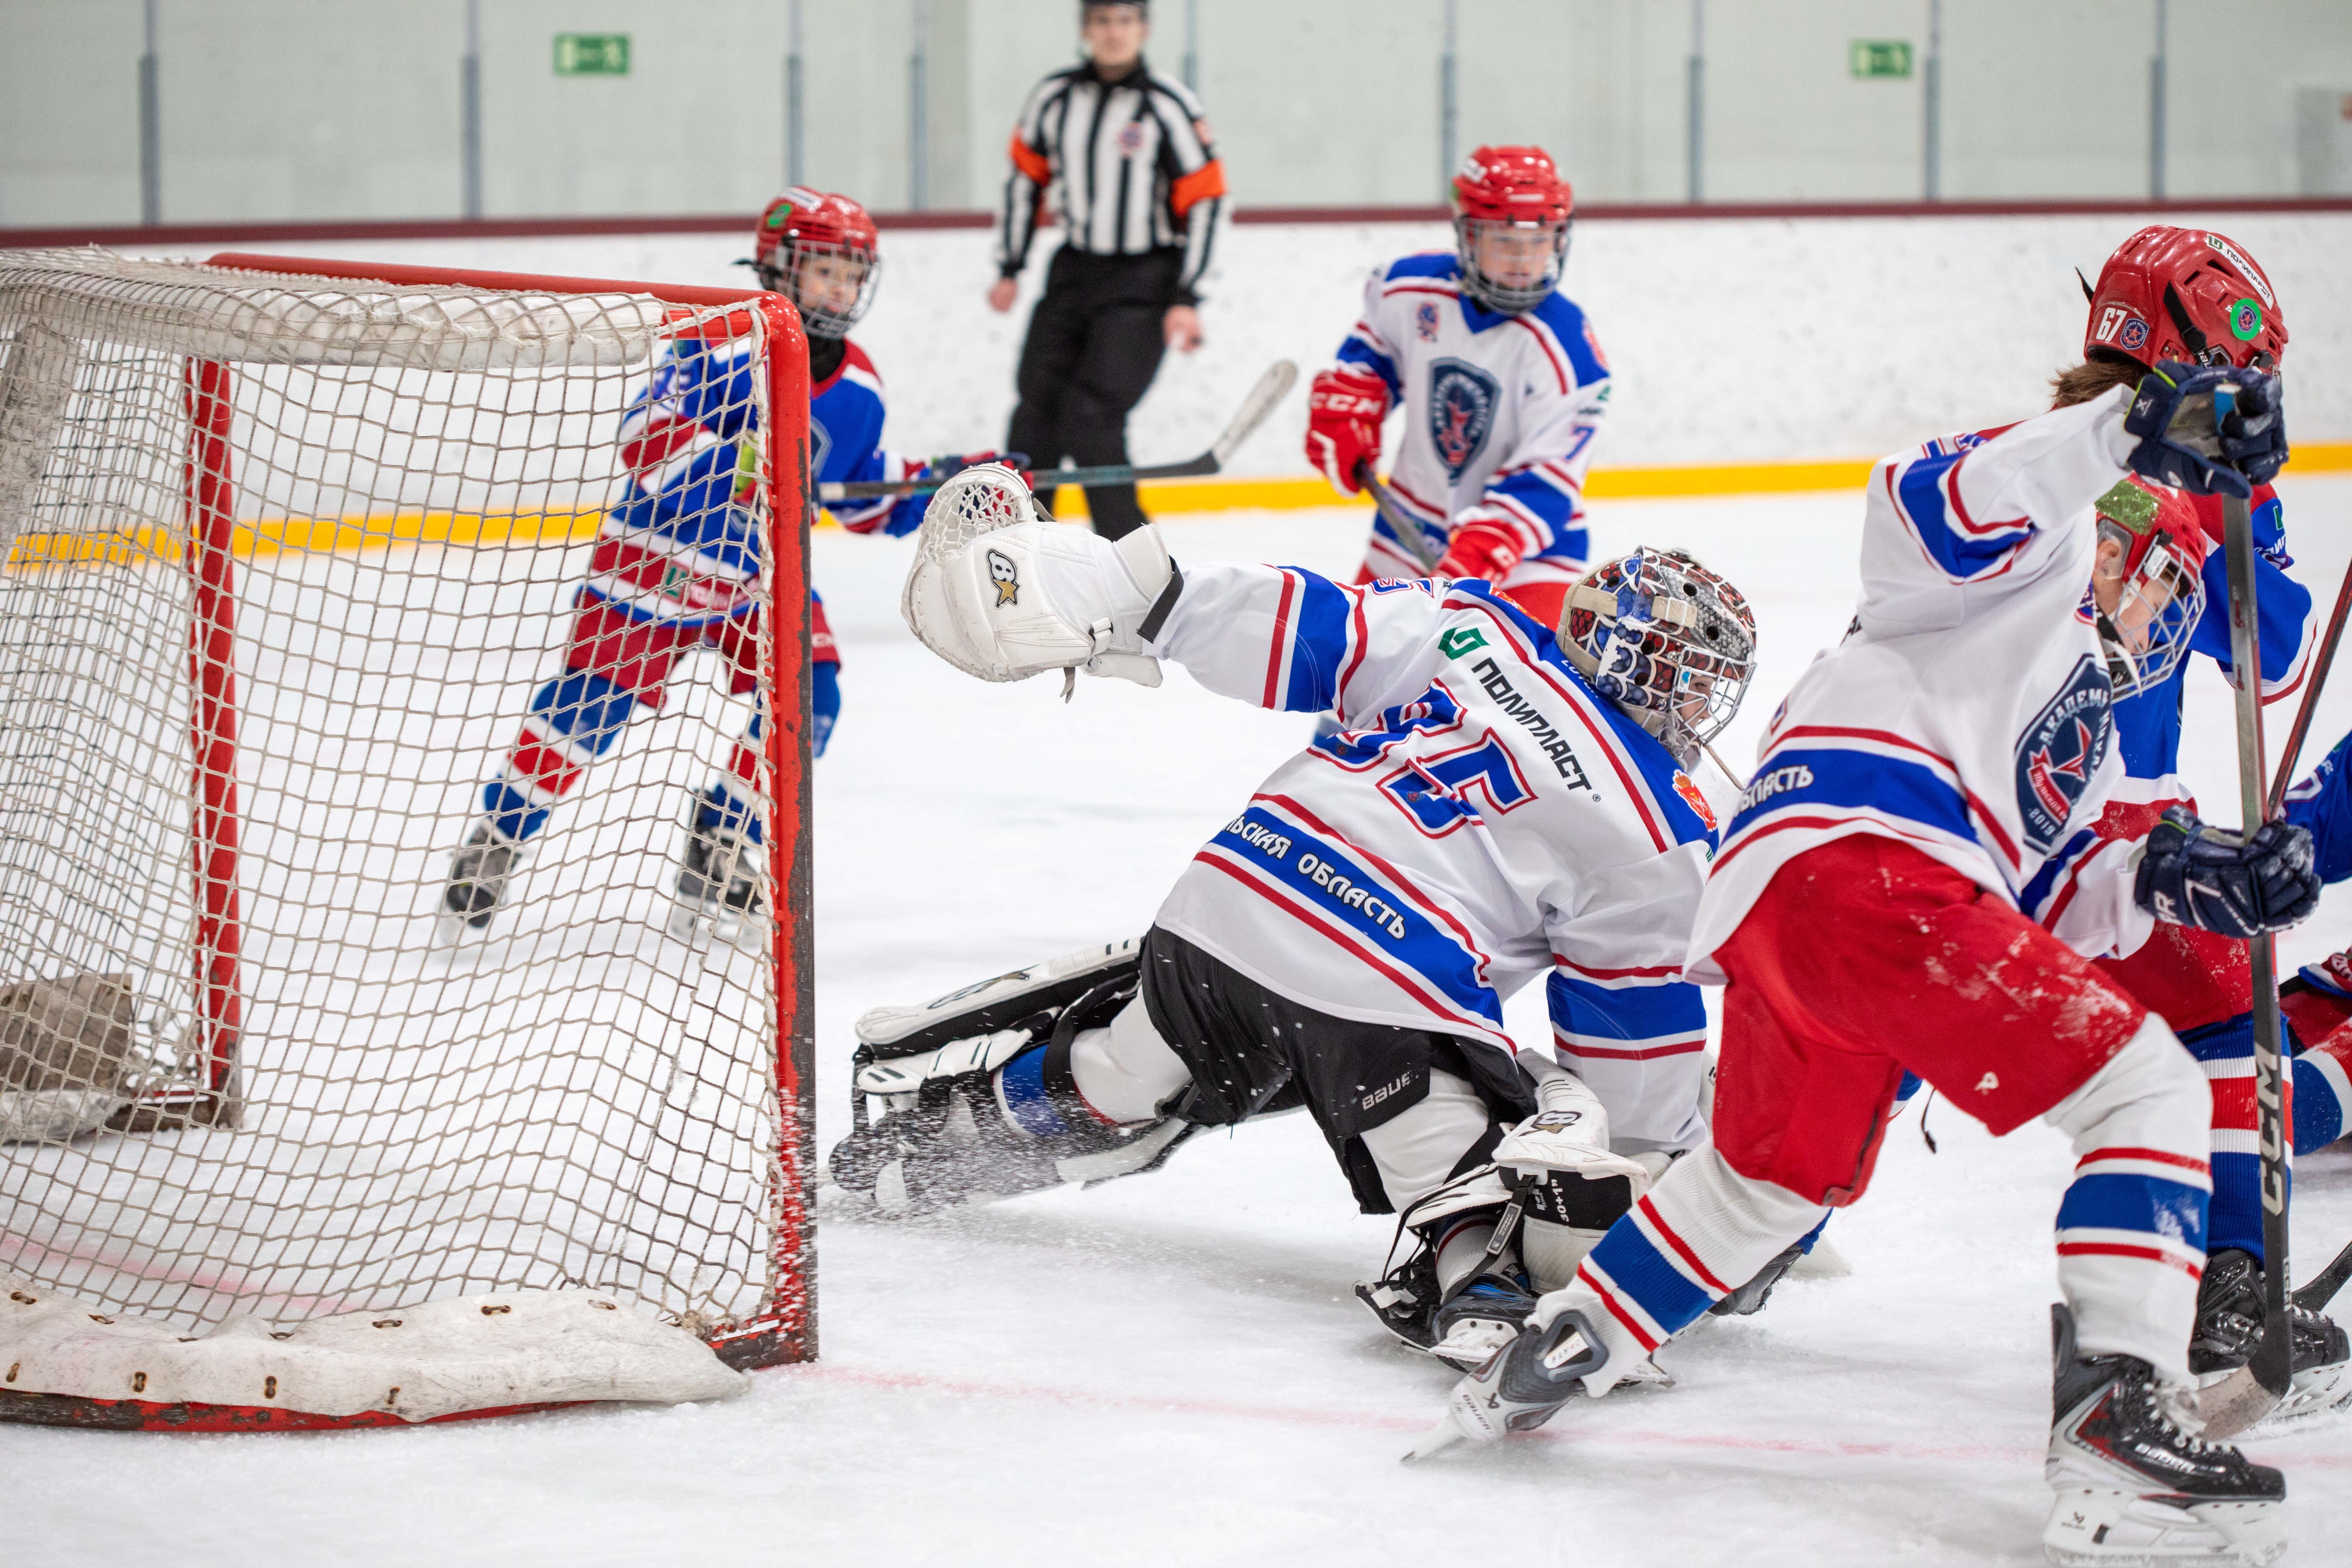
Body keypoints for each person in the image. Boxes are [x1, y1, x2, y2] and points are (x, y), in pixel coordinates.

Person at [1415, 361, 2309, 1567]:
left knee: (1770, 1188)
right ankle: (2116, 1412)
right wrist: (2124, 425)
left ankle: (1562, 1348)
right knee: (2148, 1089)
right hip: (1868, 871)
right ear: (2120, 547)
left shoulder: (2079, 711)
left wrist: (2195, 876)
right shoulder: (2004, 571)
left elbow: (2057, 900)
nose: (2160, 611)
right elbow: (1920, 498)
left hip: (1800, 914)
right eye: (2162, 580)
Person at [829, 461, 1760, 1367]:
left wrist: (1136, 596)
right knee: (1460, 1168)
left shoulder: (1479, 630)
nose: (1690, 700)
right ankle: (1478, 1284)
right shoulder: (1660, 833)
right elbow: (1632, 1032)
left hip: (1224, 903)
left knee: (1124, 1073)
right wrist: (1662, 1181)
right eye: (1687, 676)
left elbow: (1306, 625)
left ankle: (937, 1142)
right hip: (1383, 985)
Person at [440, 189, 975, 938]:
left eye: (852, 275)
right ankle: (498, 837)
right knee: (588, 712)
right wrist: (746, 466)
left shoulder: (858, 386)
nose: (841, 290)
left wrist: (947, 488)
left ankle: (719, 843)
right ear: (778, 267)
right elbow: (647, 442)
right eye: (824, 270)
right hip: (652, 565)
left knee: (811, 695)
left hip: (755, 578)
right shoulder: (718, 337)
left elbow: (862, 492)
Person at [2057, 225, 2347, 1424]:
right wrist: (2186, 508)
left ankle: (2227, 1278)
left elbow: (2267, 656)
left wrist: (2231, 500)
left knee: (2233, 1014)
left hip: (2136, 824)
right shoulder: (2070, 473)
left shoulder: (2214, 470)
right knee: (1822, 1121)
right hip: (2031, 828)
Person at [1303, 145, 1607, 629]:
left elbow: (1547, 480)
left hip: (1531, 555)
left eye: (1539, 242)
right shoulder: (1407, 288)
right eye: (1504, 241)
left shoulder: (1570, 349)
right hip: (1408, 527)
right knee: (1352, 682)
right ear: (1467, 234)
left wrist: (1480, 552)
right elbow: (1373, 355)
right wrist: (1353, 409)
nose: (1523, 261)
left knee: (1527, 697)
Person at [990, 0, 1224, 540]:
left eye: (1125, 21)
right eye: (1102, 21)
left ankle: (1133, 562)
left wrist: (1189, 297)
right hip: (1074, 270)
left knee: (1092, 416)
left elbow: (1207, 200)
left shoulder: (1168, 105)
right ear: (1085, 30)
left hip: (1146, 280)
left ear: (1144, 29)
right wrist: (1010, 265)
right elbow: (1025, 181)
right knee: (1034, 412)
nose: (1114, 33)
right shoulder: (1054, 97)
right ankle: (1018, 548)